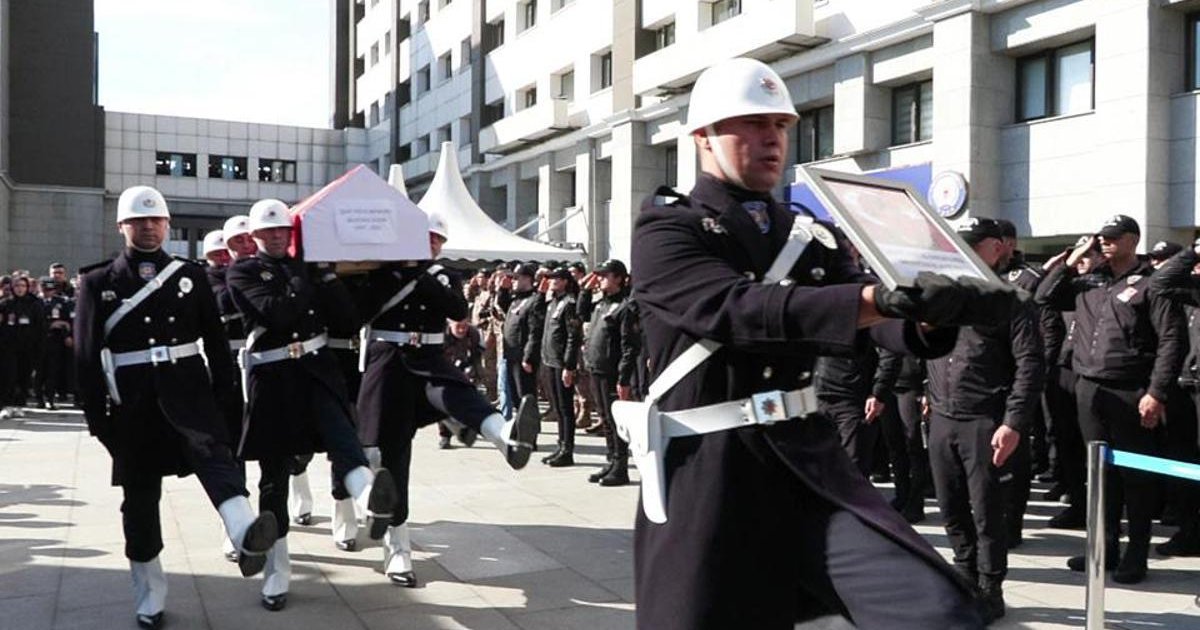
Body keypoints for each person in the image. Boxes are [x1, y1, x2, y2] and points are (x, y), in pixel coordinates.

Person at [628, 58, 1015, 629]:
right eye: (752, 124)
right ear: (703, 136)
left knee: (937, 610)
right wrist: (879, 302)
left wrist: (935, 314)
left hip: (806, 464)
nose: (771, 138)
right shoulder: (667, 228)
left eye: (780, 125)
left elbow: (870, 311)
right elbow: (732, 310)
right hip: (709, 473)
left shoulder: (809, 234)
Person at [74, 185, 278, 628]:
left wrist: (229, 403)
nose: (148, 227)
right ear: (122, 226)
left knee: (218, 463)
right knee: (141, 501)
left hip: (191, 394)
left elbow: (216, 346)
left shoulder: (191, 276)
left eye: (156, 220)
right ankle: (149, 594)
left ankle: (245, 533)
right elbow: (86, 360)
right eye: (138, 220)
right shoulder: (97, 282)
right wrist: (99, 422)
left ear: (167, 225)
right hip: (135, 407)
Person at [226, 198, 399, 610]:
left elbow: (347, 321)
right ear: (254, 237)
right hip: (273, 381)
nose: (277, 236)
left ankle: (370, 501)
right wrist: (306, 274)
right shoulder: (243, 271)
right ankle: (276, 573)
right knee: (274, 476)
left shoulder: (307, 270)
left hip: (318, 371)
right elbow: (277, 313)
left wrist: (327, 277)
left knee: (345, 441)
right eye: (268, 231)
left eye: (283, 230)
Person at [352, 212, 539, 588]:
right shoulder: (381, 272)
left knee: (461, 395)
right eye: (426, 238)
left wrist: (419, 273)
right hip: (388, 361)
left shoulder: (441, 275)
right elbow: (361, 309)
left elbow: (457, 310)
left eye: (437, 240)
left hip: (429, 359)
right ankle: (397, 546)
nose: (432, 245)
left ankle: (507, 436)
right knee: (392, 455)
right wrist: (401, 270)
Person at [1036, 214, 1185, 584]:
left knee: (1135, 476)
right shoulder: (1089, 282)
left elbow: (1171, 340)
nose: (1104, 243)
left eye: (1113, 238)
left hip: (1131, 390)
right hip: (1090, 388)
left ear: (1133, 240)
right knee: (1099, 474)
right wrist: (1071, 262)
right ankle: (1104, 549)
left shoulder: (1152, 285)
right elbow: (1043, 297)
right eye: (1101, 238)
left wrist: (1156, 392)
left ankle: (1136, 553)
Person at [924, 218, 1044, 622]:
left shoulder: (1013, 300)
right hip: (943, 414)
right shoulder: (947, 294)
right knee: (949, 503)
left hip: (985, 419)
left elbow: (1030, 364)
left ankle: (990, 586)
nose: (963, 251)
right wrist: (930, 393)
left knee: (986, 510)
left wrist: (1013, 422)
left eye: (973, 244)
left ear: (995, 248)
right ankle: (964, 572)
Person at [1146, 239, 1200, 556]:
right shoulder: (1193, 289)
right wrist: (1193, 250)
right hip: (1186, 384)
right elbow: (1160, 282)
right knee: (1185, 461)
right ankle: (1190, 530)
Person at [578, 259, 641, 486]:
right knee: (604, 418)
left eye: (605, 275)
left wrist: (623, 378)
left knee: (615, 421)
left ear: (618, 278)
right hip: (596, 368)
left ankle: (621, 466)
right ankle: (611, 461)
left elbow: (629, 346)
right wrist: (585, 290)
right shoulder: (601, 304)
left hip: (612, 372)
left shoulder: (626, 306)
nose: (601, 279)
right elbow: (580, 312)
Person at [540, 266, 582, 466]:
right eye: (551, 278)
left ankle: (568, 450)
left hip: (561, 362)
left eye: (556, 278)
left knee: (566, 407)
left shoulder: (569, 303)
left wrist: (569, 365)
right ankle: (560, 445)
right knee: (557, 406)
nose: (552, 281)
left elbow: (573, 336)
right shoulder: (553, 302)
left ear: (565, 281)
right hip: (550, 360)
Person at [0, 275, 46, 417]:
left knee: (24, 376)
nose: (20, 289)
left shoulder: (35, 303)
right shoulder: (5, 303)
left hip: (28, 346)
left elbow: (41, 326)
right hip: (9, 346)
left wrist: (39, 345)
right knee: (9, 376)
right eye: (17, 286)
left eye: (23, 286)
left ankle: (20, 404)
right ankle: (7, 404)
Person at [501, 263, 544, 408]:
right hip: (511, 354)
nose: (513, 281)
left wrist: (529, 356)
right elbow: (503, 306)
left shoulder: (534, 300)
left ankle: (529, 429)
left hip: (523, 356)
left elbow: (535, 331)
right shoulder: (516, 299)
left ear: (527, 279)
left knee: (525, 396)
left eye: (516, 278)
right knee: (515, 397)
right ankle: (520, 427)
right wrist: (503, 289)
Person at [36, 277, 73, 410]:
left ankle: (50, 399)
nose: (48, 292)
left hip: (55, 341)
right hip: (39, 341)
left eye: (51, 290)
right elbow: (35, 322)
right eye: (46, 289)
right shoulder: (35, 302)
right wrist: (51, 324)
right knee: (40, 372)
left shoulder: (60, 302)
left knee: (53, 371)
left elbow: (66, 321)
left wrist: (67, 335)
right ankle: (39, 398)